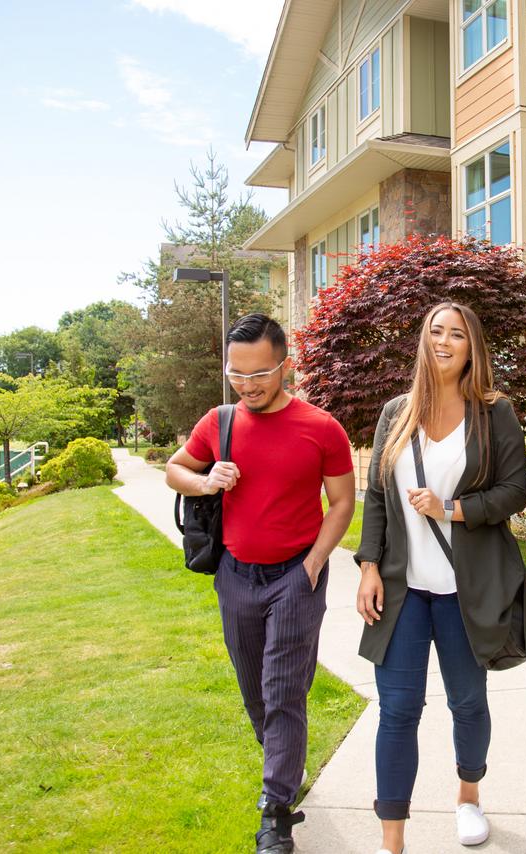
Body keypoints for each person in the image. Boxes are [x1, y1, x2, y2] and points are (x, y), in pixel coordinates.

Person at [166, 313, 356, 854]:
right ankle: (282, 761)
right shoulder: (220, 420)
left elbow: (342, 502)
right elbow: (175, 469)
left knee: (283, 690)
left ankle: (275, 812)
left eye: (259, 373)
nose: (247, 385)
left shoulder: (322, 428)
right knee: (255, 690)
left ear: (286, 366)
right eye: (237, 374)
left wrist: (316, 562)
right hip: (235, 576)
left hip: (296, 576)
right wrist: (206, 479)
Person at [353, 302, 526, 854]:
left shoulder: (495, 412)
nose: (445, 341)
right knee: (398, 710)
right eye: (436, 332)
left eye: (457, 334)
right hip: (403, 593)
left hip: (463, 591)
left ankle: (469, 796)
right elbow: (379, 496)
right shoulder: (395, 413)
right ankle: (392, 841)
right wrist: (368, 566)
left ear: (473, 346)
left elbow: (513, 493)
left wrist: (450, 508)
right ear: (423, 341)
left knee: (468, 703)